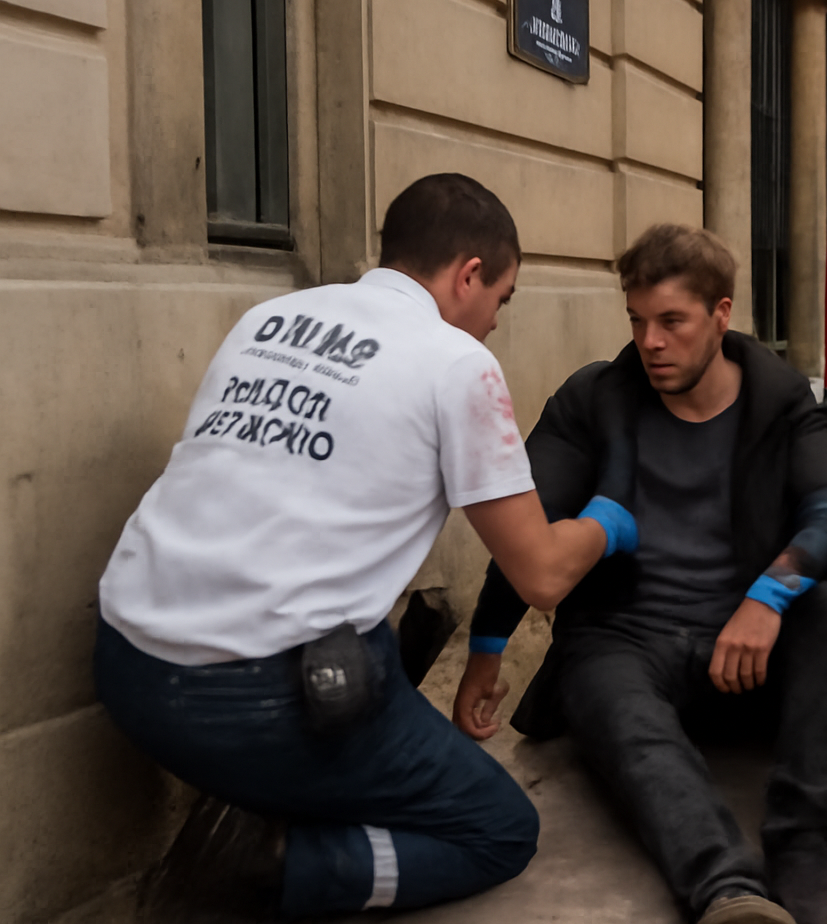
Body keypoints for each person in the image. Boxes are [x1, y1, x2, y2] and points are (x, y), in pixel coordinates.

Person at [94, 174, 638, 920]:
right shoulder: (455, 362)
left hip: (126, 669)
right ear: (468, 274)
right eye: (501, 300)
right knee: (499, 829)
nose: (495, 324)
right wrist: (608, 519)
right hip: (258, 702)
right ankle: (273, 866)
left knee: (365, 655)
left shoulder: (270, 318)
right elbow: (542, 572)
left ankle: (270, 807)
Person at [454, 224, 827, 924]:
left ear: (722, 314)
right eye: (638, 322)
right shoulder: (595, 398)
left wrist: (770, 595)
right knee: (600, 683)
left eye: (672, 321)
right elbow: (526, 524)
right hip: (627, 634)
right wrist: (488, 645)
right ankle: (728, 890)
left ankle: (803, 856)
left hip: (744, 638)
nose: (651, 342)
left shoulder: (780, 397)